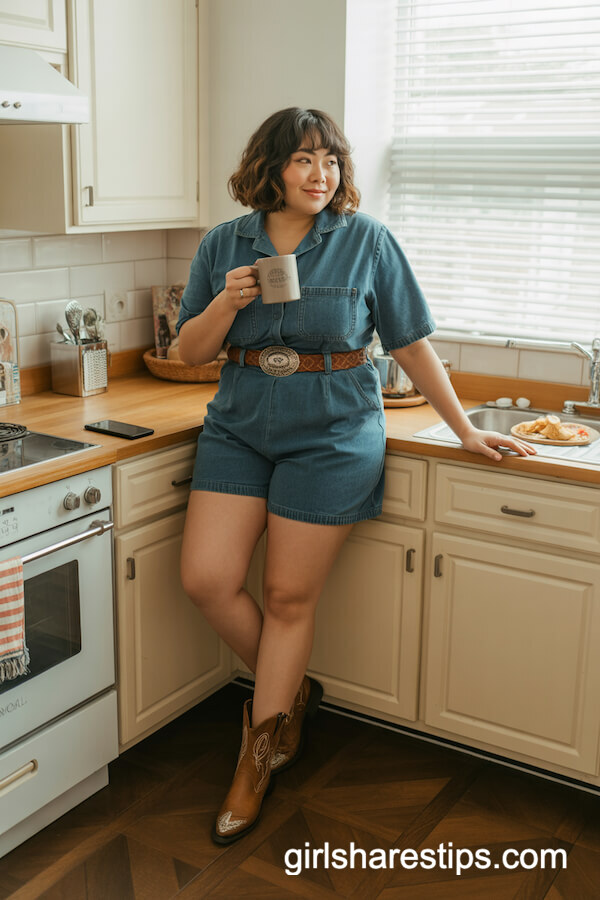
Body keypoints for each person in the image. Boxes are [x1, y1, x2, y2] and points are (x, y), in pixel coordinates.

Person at [177, 107, 535, 844]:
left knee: (285, 596)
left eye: (332, 162)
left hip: (334, 431)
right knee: (207, 579)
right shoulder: (223, 242)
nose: (322, 175)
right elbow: (189, 353)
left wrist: (466, 429)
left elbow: (410, 344)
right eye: (305, 160)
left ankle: (258, 755)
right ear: (270, 167)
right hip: (239, 424)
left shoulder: (367, 240)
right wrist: (227, 300)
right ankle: (292, 689)